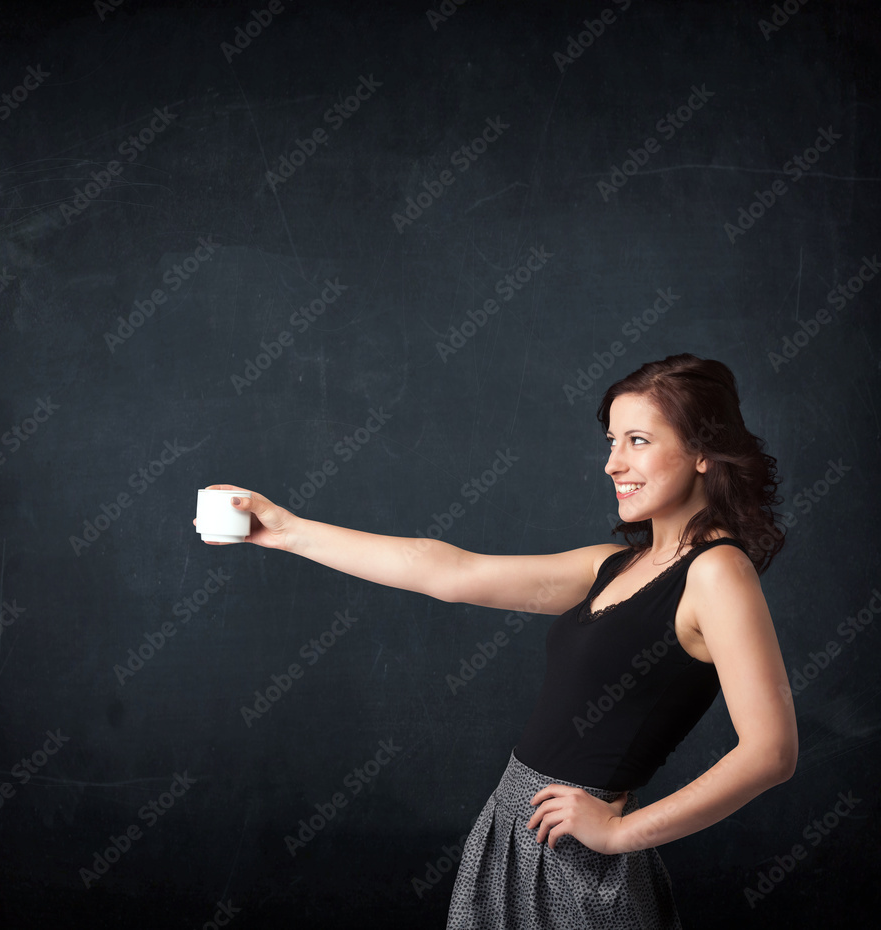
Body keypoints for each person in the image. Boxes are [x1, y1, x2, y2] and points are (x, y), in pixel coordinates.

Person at [198, 353, 798, 929]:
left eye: (638, 441)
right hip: (513, 831)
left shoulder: (717, 572)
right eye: (611, 442)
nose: (613, 463)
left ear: (702, 451)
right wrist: (288, 531)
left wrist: (617, 834)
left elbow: (770, 752)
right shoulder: (613, 565)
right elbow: (452, 573)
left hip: (577, 855)